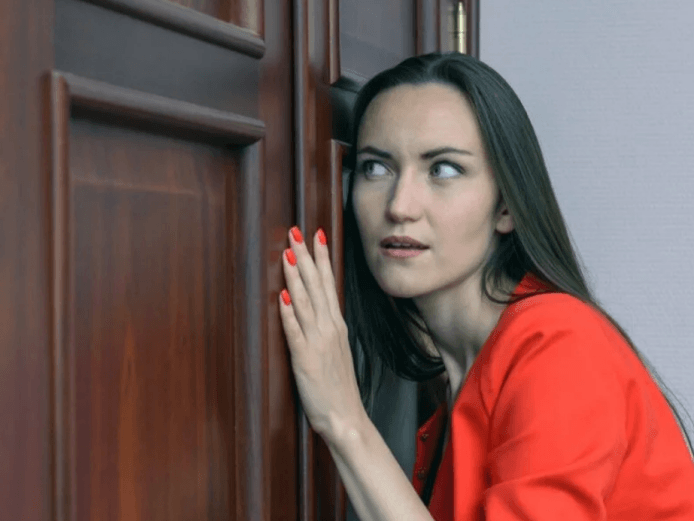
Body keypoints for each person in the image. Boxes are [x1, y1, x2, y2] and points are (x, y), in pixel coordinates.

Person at [277, 51, 694, 520]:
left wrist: (344, 418)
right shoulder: (457, 391)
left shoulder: (559, 345)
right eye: (376, 167)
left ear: (506, 206)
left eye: (443, 169)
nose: (399, 206)